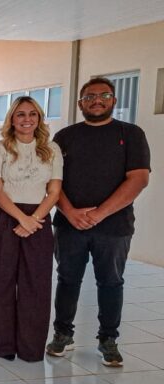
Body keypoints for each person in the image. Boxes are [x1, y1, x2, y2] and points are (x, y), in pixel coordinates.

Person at [46, 78, 151, 367]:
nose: (97, 100)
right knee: (67, 280)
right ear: (80, 103)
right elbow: (53, 182)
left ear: (114, 101)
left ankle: (108, 340)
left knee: (111, 282)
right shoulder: (65, 137)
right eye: (89, 96)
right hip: (70, 225)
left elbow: (139, 178)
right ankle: (62, 334)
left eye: (104, 95)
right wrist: (70, 212)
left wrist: (99, 213)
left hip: (114, 227)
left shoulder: (130, 134)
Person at [0, 96, 62, 362]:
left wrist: (34, 219)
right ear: (12, 119)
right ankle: (0, 345)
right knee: (0, 279)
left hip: (39, 218)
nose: (26, 119)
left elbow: (54, 191)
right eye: (20, 114)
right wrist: (21, 218)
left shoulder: (51, 149)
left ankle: (30, 348)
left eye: (32, 114)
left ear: (39, 118)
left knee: (36, 284)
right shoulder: (0, 147)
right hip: (6, 216)